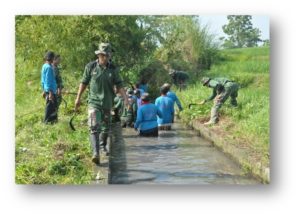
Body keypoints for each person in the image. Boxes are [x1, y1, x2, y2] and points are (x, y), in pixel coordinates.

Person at [75, 42, 128, 165]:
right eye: (102, 55)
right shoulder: (91, 67)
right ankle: (96, 153)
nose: (104, 58)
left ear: (109, 56)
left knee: (106, 128)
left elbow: (119, 85)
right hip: (94, 102)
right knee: (93, 127)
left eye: (106, 55)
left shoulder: (113, 69)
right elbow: (84, 82)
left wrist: (126, 98)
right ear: (98, 55)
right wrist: (78, 98)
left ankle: (103, 145)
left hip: (108, 103)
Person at [41, 51, 58, 124]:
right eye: (53, 57)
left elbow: (43, 80)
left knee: (53, 106)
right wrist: (50, 93)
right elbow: (48, 80)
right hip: (50, 91)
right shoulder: (49, 68)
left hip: (48, 90)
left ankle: (53, 121)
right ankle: (47, 122)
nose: (54, 59)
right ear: (51, 58)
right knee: (50, 107)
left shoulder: (44, 66)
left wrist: (44, 90)